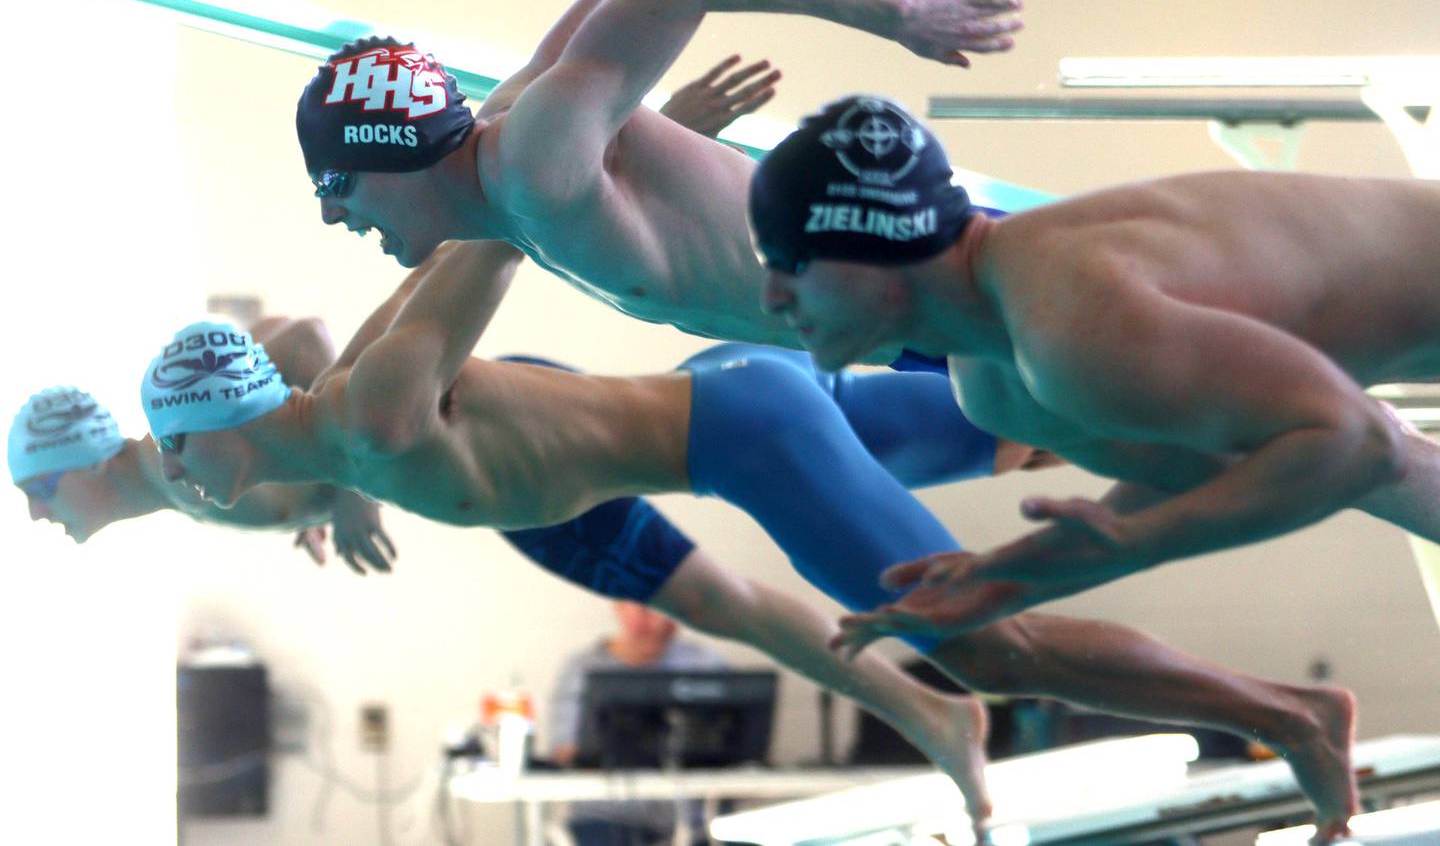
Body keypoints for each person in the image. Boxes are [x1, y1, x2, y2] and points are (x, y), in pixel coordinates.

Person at [144, 240, 1361, 839]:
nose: (177, 479)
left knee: (986, 643)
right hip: (732, 394)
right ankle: (1299, 400)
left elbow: (492, 223)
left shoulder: (375, 413)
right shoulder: (330, 438)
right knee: (1026, 423)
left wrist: (608, 114)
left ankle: (1286, 711)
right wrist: (339, 501)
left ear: (222, 434)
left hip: (744, 435)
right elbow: (297, 344)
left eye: (177, 451)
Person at [748, 96, 1440, 656]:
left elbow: (1360, 448)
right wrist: (1020, 579)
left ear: (877, 245)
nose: (771, 296)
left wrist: (1142, 540)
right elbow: (1242, 469)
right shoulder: (995, 387)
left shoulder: (1069, 319)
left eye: (792, 260)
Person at [294, 0, 1017, 348]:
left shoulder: (538, 160)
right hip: (917, 328)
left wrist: (892, 12)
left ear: (392, 151)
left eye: (333, 182)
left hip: (956, 277)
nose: (329, 213)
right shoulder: (514, 155)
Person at [10, 317, 393, 571]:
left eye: (40, 488)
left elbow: (304, 339)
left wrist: (355, 487)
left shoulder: (180, 456)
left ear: (89, 460)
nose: (35, 512)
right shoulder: (187, 477)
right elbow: (267, 332)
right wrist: (297, 468)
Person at [548, 600, 729, 846]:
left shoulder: (704, 663)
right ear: (619, 606)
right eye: (645, 611)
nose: (657, 623)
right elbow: (564, 751)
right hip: (605, 820)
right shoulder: (582, 668)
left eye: (668, 611)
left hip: (693, 824)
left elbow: (733, 742)